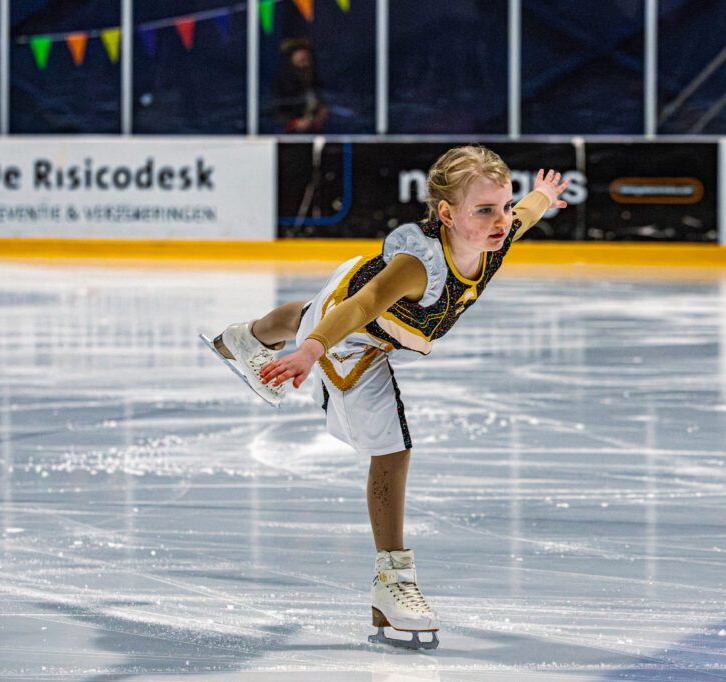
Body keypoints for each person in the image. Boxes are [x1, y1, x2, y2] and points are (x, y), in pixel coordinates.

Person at [205, 145, 569, 649]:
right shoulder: (419, 267)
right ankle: (392, 580)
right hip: (351, 337)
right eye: (485, 210)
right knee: (391, 449)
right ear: (446, 214)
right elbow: (365, 305)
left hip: (349, 294)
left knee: (310, 313)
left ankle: (245, 337)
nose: (501, 220)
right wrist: (311, 351)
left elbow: (525, 216)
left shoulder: (494, 238)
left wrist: (541, 195)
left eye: (503, 206)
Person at [272, 38, 329, 133]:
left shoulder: (315, 83)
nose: (305, 62)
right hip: (287, 136)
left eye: (307, 58)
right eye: (301, 58)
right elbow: (275, 112)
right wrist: (295, 123)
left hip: (314, 135)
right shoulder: (281, 84)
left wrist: (321, 114)